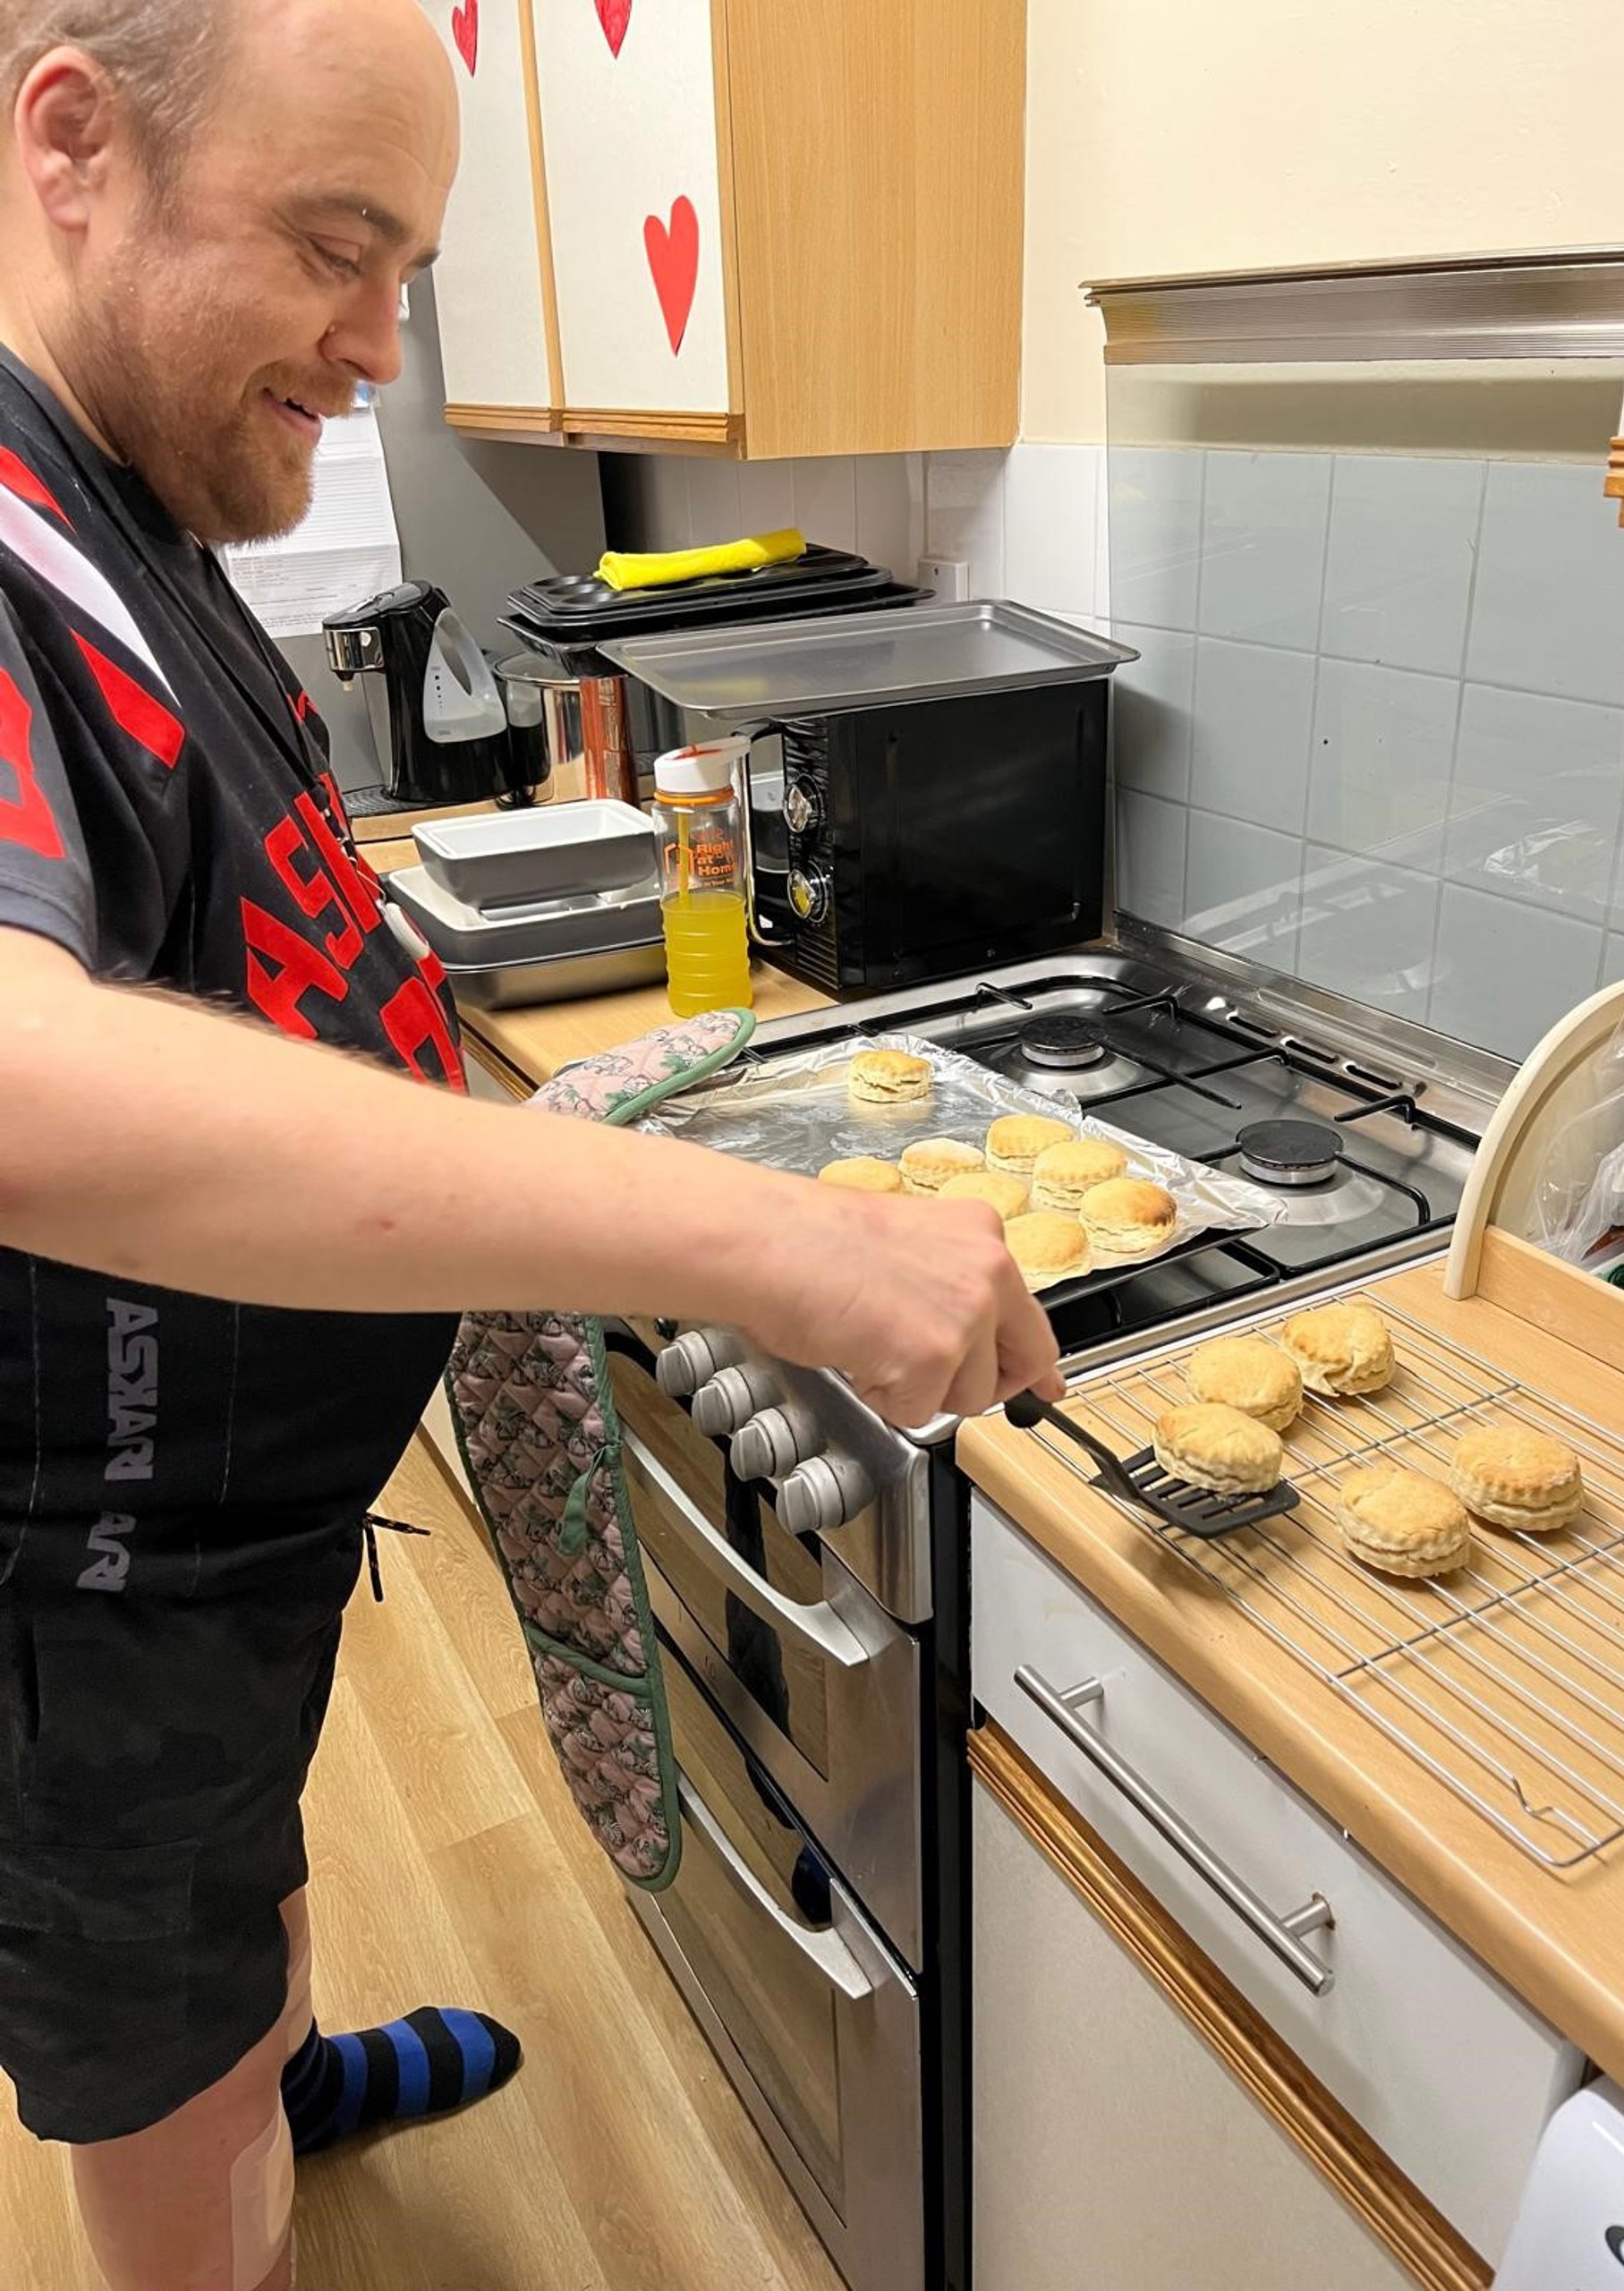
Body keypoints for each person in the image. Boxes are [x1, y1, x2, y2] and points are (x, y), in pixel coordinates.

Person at [0, 4, 1063, 2285]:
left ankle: (283, 2062)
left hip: (223, 1545)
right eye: (334, 247)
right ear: (71, 145)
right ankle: (227, 2152)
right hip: (72, 1603)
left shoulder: (124, 497)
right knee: (159, 2044)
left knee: (242, 1874)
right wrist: (760, 1240)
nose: (382, 346)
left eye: (410, 269)